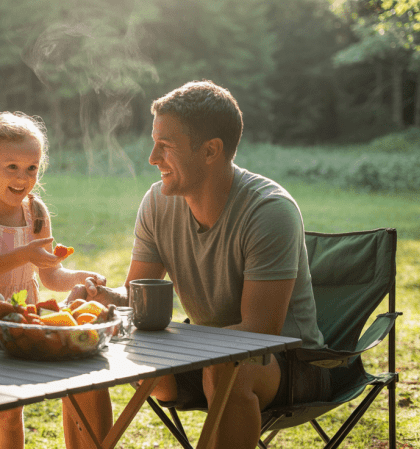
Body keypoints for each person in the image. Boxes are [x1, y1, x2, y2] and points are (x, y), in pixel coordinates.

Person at [63, 80, 331, 449]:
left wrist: (185, 345)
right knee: (81, 341)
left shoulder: (269, 211)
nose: (152, 158)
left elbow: (261, 330)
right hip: (204, 357)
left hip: (290, 363)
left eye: (166, 146)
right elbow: (136, 298)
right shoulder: (158, 203)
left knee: (227, 369)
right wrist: (99, 300)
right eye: (153, 142)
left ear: (210, 151)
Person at [0, 111, 106, 449]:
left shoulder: (36, 212)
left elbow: (50, 274)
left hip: (17, 320)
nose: (23, 177)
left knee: (10, 412)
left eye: (32, 168)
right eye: (11, 166)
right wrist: (26, 252)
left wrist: (83, 276)